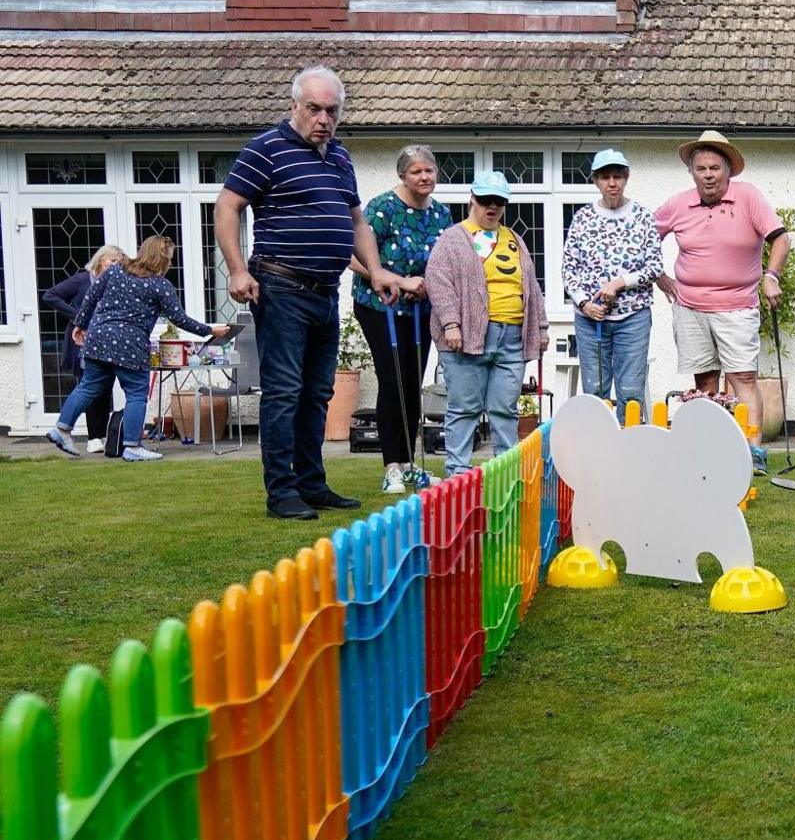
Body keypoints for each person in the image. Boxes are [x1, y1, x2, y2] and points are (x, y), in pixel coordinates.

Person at [215, 64, 404, 520]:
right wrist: (237, 270)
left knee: (318, 392)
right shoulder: (266, 149)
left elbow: (356, 221)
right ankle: (281, 494)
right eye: (314, 108)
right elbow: (228, 206)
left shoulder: (338, 157)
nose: (323, 118)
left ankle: (311, 485)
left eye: (332, 111)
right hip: (280, 285)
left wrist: (375, 271)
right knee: (284, 392)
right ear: (294, 106)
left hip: (324, 291)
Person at [654, 130, 791, 472]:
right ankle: (710, 447)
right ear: (692, 173)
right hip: (690, 305)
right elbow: (643, 239)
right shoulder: (678, 204)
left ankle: (753, 449)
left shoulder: (749, 198)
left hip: (738, 305)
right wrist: (659, 277)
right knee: (704, 381)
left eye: (715, 167)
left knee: (743, 377)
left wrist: (770, 276)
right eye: (701, 168)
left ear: (728, 170)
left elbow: (780, 240)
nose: (709, 174)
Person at [45, 236, 229, 462]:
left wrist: (81, 325)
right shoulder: (160, 285)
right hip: (129, 346)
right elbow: (179, 319)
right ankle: (132, 446)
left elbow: (91, 298)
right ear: (164, 258)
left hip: (98, 338)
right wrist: (210, 330)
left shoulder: (115, 272)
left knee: (87, 387)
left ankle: (61, 430)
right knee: (136, 394)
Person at [424, 171, 548, 477]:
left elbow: (531, 285)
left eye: (499, 201)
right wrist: (451, 324)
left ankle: (505, 475)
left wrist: (541, 328)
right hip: (467, 336)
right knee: (465, 409)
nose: (491, 207)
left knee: (504, 410)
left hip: (512, 337)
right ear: (472, 200)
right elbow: (438, 282)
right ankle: (458, 476)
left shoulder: (514, 239)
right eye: (485, 200)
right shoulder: (453, 238)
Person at [354, 144, 452, 493]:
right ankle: (391, 466)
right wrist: (396, 280)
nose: (424, 177)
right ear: (402, 175)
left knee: (413, 383)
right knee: (392, 382)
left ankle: (411, 464)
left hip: (419, 309)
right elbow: (352, 257)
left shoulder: (441, 214)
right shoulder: (383, 209)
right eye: (416, 172)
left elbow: (444, 262)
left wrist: (427, 286)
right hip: (380, 307)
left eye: (429, 170)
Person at [562, 148, 661, 421]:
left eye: (618, 176)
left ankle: (629, 450)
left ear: (626, 178)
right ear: (596, 181)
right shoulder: (583, 218)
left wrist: (619, 283)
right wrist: (584, 303)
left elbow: (654, 267)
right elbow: (569, 269)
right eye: (605, 177)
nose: (612, 183)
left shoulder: (643, 216)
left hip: (633, 317)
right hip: (590, 318)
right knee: (595, 390)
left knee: (630, 390)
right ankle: (598, 454)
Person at [42, 244, 129, 456]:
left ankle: (96, 435)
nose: (116, 265)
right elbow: (50, 295)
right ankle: (92, 437)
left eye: (119, 262)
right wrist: (78, 315)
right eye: (112, 261)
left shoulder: (116, 283)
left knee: (103, 387)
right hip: (81, 340)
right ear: (100, 261)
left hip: (105, 342)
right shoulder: (83, 279)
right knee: (90, 387)